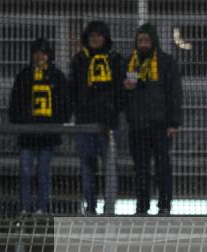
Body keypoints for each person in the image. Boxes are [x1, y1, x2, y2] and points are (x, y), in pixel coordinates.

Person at [124, 23, 182, 216]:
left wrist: (173, 122)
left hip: (160, 125)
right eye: (140, 40)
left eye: (146, 40)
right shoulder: (130, 63)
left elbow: (174, 93)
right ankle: (142, 207)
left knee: (162, 167)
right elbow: (122, 95)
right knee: (140, 168)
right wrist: (126, 89)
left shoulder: (166, 62)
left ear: (153, 41)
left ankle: (164, 206)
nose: (143, 44)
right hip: (137, 126)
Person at [68, 21, 126, 215]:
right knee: (87, 169)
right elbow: (72, 90)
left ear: (105, 37)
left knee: (110, 168)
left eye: (99, 34)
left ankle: (108, 209)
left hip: (108, 124)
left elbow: (121, 90)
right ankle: (90, 208)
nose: (95, 38)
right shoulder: (79, 60)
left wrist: (114, 109)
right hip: (85, 125)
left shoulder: (115, 59)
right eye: (92, 35)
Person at [9, 38, 71, 215]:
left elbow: (65, 103)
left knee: (43, 172)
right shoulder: (25, 75)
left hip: (47, 134)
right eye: (36, 53)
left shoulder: (56, 76)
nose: (39, 57)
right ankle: (24, 208)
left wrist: (55, 124)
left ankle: (41, 208)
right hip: (27, 134)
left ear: (48, 55)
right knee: (26, 172)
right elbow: (15, 103)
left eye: (43, 53)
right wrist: (21, 124)